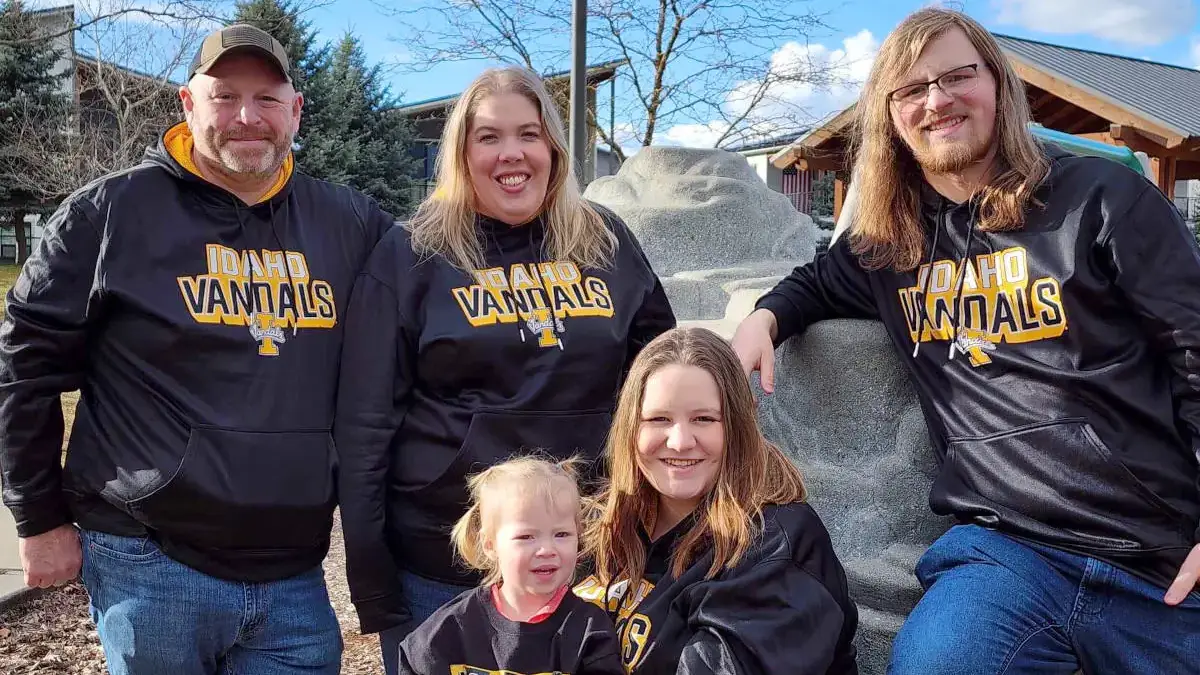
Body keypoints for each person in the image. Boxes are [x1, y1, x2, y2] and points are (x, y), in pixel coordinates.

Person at [731, 7, 1200, 674]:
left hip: (1158, 557)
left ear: (998, 85)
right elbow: (813, 282)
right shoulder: (891, 245)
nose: (937, 100)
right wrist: (764, 318)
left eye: (957, 76)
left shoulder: (1103, 199)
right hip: (1008, 556)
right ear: (891, 116)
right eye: (912, 89)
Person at [0, 24, 396, 675]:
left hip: (295, 569)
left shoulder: (349, 223)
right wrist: (38, 518)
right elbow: (24, 371)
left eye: (267, 99)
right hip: (150, 559)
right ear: (188, 104)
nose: (247, 117)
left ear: (296, 111)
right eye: (225, 96)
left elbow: (442, 288)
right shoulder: (107, 215)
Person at [332, 64, 675, 675]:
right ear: (461, 153)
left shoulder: (606, 242)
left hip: (582, 561)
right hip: (441, 569)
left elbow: (661, 385)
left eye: (528, 134)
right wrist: (374, 582)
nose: (510, 153)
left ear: (554, 148)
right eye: (488, 137)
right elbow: (364, 426)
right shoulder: (413, 253)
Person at [577, 326, 859, 673]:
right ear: (631, 428)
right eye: (659, 419)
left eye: (704, 419)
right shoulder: (598, 526)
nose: (680, 441)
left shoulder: (776, 545)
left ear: (737, 426)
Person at [396, 455, 624, 674]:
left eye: (561, 534)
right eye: (526, 537)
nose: (547, 550)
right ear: (490, 545)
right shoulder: (454, 626)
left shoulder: (589, 630)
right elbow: (414, 661)